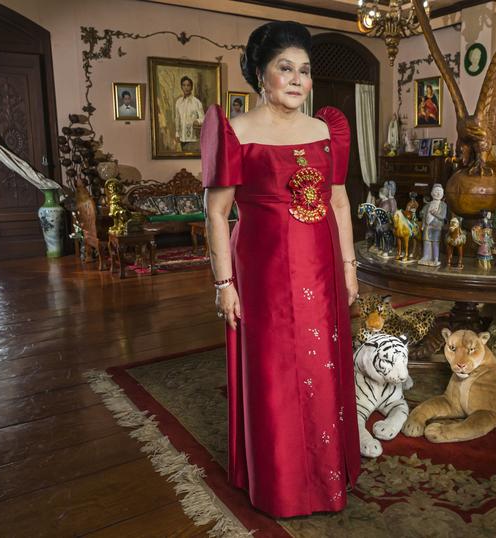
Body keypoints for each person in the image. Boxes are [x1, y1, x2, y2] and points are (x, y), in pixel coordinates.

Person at [201, 20, 361, 518]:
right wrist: (224, 284)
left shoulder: (325, 131)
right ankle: (283, 482)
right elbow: (215, 212)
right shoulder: (236, 132)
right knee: (275, 372)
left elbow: (338, 203)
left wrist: (350, 267)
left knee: (322, 364)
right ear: (260, 75)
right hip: (263, 271)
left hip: (321, 268)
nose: (296, 80)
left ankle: (327, 473)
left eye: (305, 71)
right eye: (284, 69)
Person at [175, 75, 205, 152]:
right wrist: (177, 134)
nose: (186, 87)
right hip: (182, 138)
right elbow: (177, 119)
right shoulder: (178, 102)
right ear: (181, 87)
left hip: (193, 138)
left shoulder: (196, 102)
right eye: (184, 85)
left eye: (188, 85)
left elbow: (203, 118)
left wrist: (197, 121)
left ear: (191, 87)